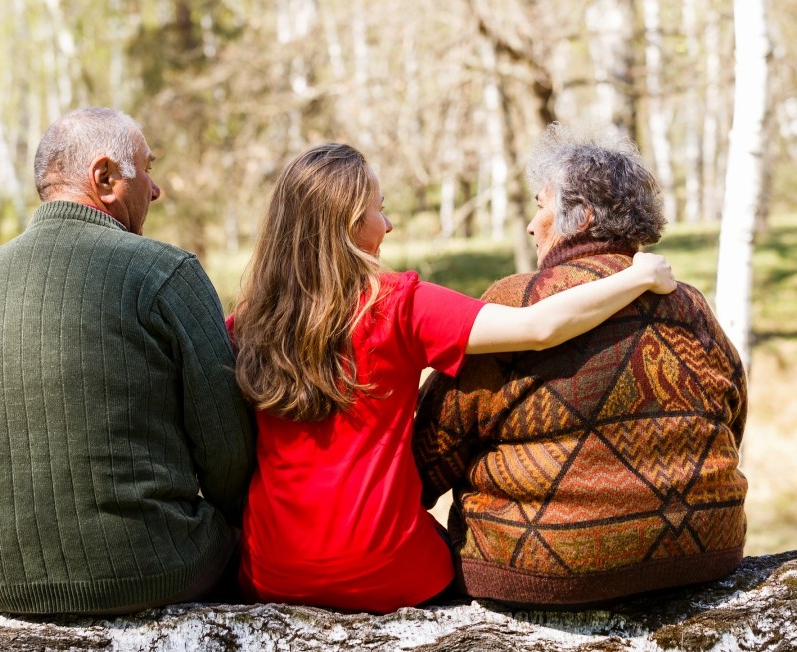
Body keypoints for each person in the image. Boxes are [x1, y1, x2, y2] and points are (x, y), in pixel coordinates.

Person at [227, 142, 676, 613]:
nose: (388, 225)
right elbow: (539, 327)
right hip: (385, 570)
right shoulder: (397, 304)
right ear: (349, 225)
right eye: (380, 210)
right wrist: (637, 278)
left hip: (272, 571)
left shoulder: (246, 326)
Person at [0, 107, 255, 615]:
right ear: (104, 177)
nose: (155, 189)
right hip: (150, 564)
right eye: (146, 168)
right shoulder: (167, 273)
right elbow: (228, 458)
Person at [413, 123, 748, 609]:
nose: (531, 225)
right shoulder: (689, 303)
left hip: (547, 571)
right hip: (707, 552)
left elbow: (433, 449)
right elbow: (732, 417)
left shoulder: (520, 301)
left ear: (582, 217)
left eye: (540, 206)